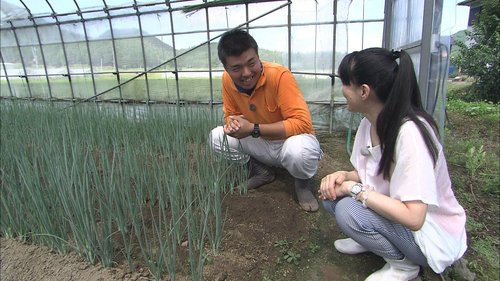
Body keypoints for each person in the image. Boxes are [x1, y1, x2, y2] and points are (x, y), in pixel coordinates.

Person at [319, 48, 467, 280]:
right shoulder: (370, 123)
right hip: (400, 215)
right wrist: (344, 177)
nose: (342, 91)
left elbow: (414, 218)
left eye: (345, 83)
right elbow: (370, 172)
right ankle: (368, 239)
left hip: (429, 235)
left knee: (348, 209)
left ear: (364, 91)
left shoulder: (410, 134)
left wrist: (352, 188)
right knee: (331, 197)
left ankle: (404, 265)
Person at [208, 28, 323, 212]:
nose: (246, 73)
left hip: (288, 140)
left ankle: (302, 185)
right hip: (260, 142)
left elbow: (302, 124)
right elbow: (231, 114)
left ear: (258, 56)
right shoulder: (227, 80)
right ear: (226, 69)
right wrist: (233, 124)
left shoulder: (279, 75)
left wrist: (254, 128)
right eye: (236, 68)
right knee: (217, 136)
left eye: (251, 63)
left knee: (300, 151)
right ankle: (261, 171)